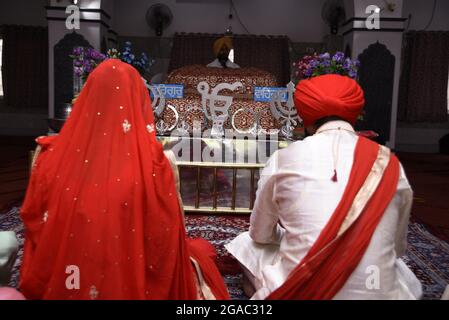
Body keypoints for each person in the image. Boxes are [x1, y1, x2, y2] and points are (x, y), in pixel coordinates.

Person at [19, 59, 229, 300]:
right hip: (134, 284)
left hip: (65, 284)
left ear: (88, 98)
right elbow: (168, 241)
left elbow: (35, 228)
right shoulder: (157, 164)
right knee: (202, 252)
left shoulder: (47, 158)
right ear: (138, 101)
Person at [226, 74, 422, 300]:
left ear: (305, 118)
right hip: (376, 287)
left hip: (304, 289)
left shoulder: (284, 158)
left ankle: (260, 292)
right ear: (356, 114)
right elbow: (397, 248)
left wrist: (296, 237)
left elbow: (260, 234)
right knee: (404, 273)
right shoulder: (389, 162)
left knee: (246, 243)